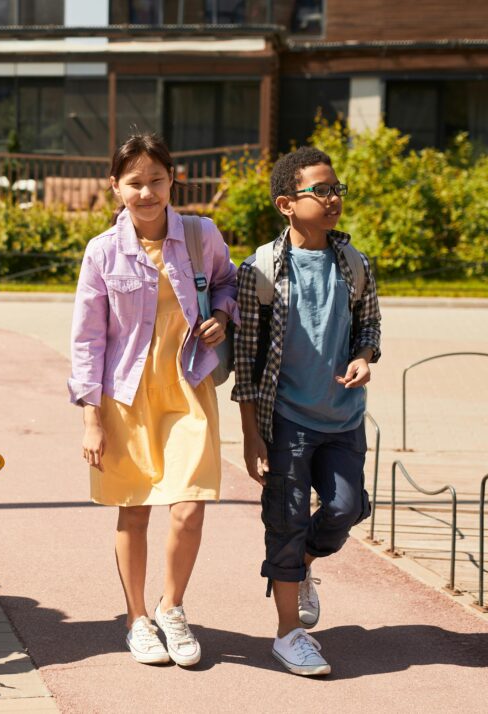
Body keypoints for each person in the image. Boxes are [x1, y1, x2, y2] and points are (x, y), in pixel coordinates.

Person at [68, 133, 238, 667]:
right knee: (134, 513)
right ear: (116, 186)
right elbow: (87, 339)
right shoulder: (101, 251)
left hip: (188, 387)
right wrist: (91, 419)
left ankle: (172, 607)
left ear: (172, 179)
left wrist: (222, 316)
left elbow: (230, 282)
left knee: (189, 507)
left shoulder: (198, 234)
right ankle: (136, 619)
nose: (146, 192)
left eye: (156, 180)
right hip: (125, 398)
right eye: (134, 182)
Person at [233, 146, 380, 677]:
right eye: (320, 190)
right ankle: (287, 633)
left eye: (336, 187)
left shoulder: (355, 263)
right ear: (286, 204)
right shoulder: (262, 269)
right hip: (287, 421)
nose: (333, 197)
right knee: (286, 521)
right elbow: (246, 360)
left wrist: (364, 357)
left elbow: (369, 327)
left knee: (346, 509)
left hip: (343, 418)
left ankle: (304, 568)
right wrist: (251, 436)